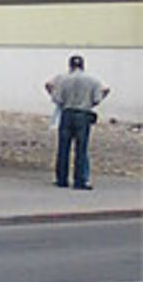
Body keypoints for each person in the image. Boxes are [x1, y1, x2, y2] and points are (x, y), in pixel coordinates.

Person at [45, 55, 109, 190]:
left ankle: (62, 179)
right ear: (83, 65)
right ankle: (80, 180)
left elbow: (57, 98)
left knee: (63, 148)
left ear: (70, 66)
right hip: (83, 114)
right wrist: (91, 102)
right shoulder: (92, 80)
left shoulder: (63, 79)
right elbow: (101, 94)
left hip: (67, 113)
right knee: (81, 148)